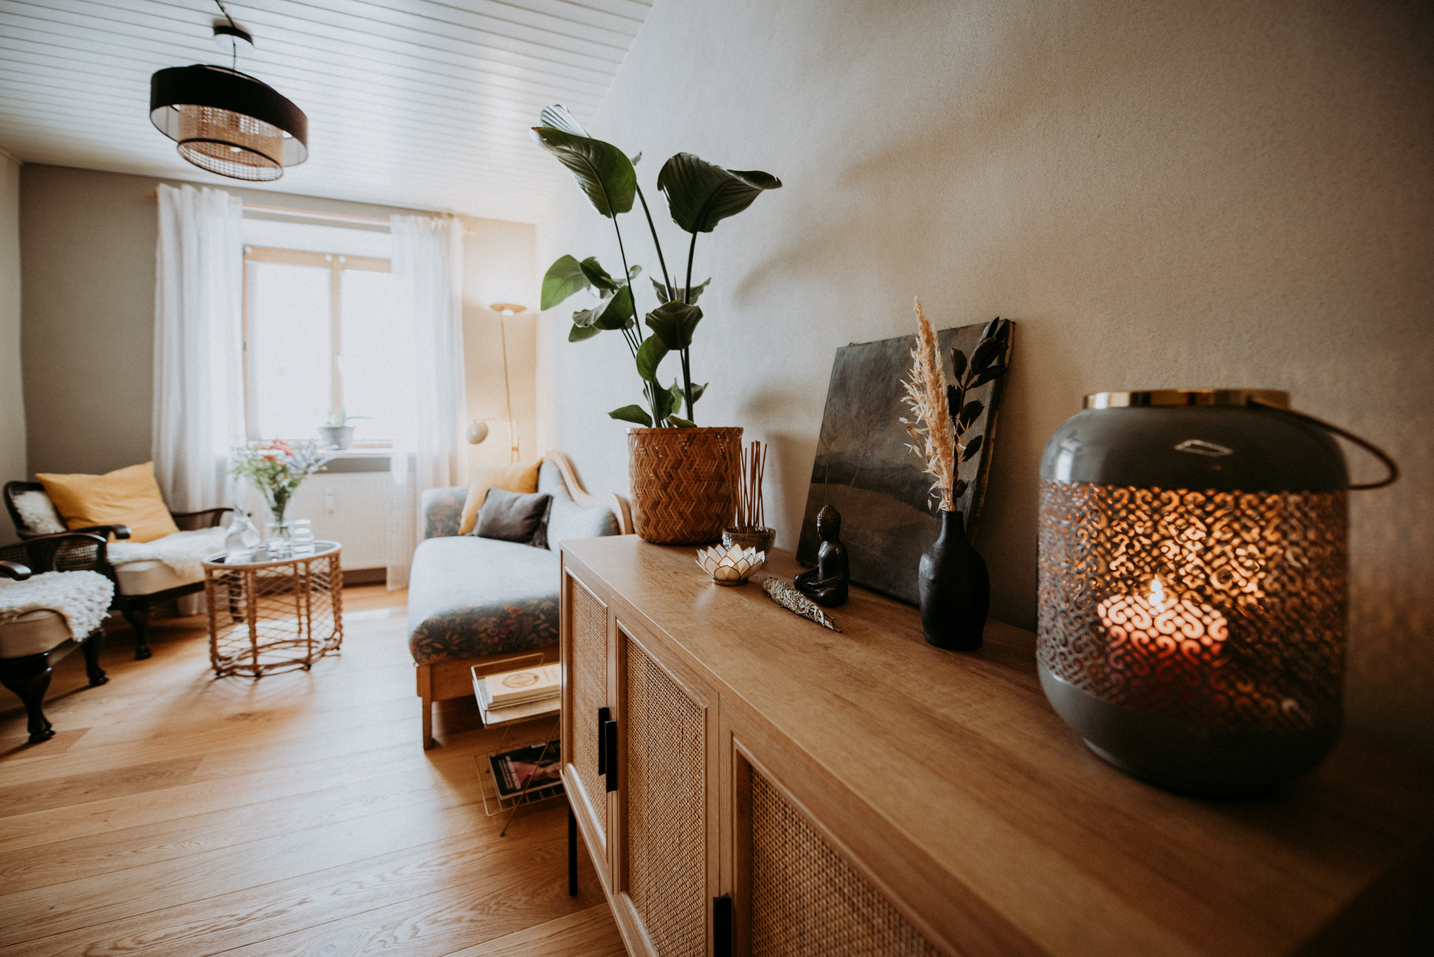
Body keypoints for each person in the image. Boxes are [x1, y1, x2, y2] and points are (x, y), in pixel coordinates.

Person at [795, 505, 850, 607]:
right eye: (818, 527)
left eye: (821, 528)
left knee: (827, 596)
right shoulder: (823, 544)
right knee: (798, 580)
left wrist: (821, 584)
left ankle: (808, 594)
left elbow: (844, 576)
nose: (818, 530)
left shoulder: (839, 549)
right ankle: (813, 594)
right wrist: (803, 575)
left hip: (833, 587)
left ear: (832, 528)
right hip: (819, 583)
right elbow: (820, 567)